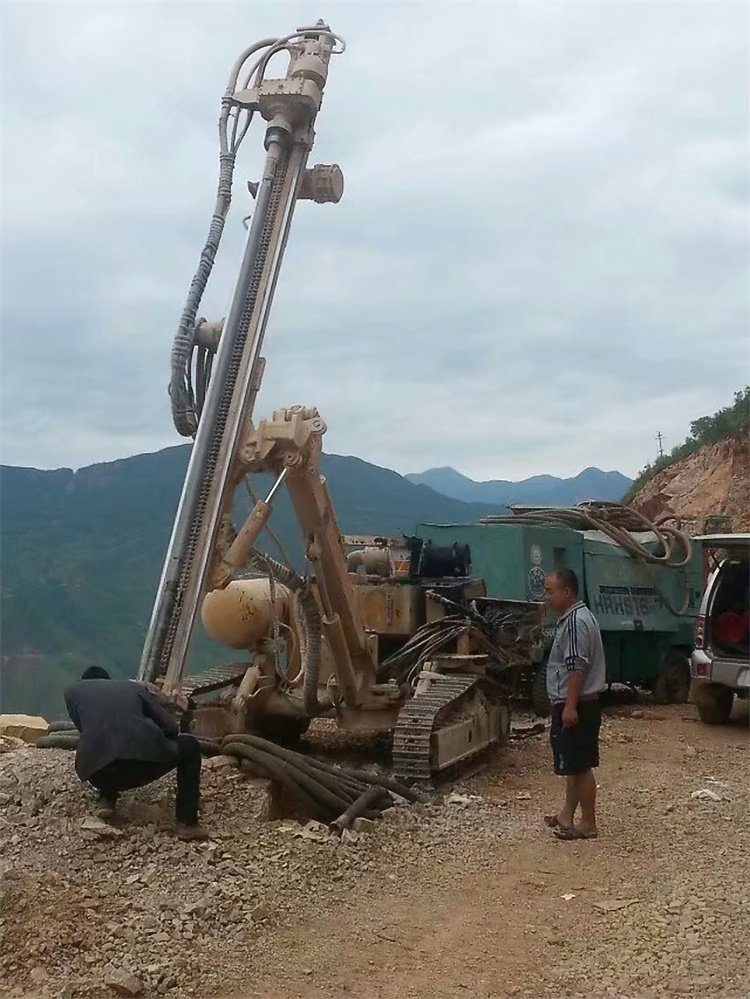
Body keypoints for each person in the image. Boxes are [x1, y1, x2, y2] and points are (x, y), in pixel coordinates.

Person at [64, 666, 208, 841]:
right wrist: (159, 739)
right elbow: (171, 726)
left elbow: (86, 730)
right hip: (142, 767)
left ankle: (107, 800)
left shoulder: (72, 692)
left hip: (97, 775)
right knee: (190, 746)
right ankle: (187, 823)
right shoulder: (133, 688)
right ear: (109, 681)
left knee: (104, 749)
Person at [542, 569, 606, 841]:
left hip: (578, 703)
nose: (547, 597)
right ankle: (566, 814)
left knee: (581, 766)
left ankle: (588, 823)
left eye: (550, 591)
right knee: (574, 762)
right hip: (580, 702)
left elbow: (576, 667)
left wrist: (569, 707)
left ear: (566, 592)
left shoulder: (575, 622)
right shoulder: (579, 617)